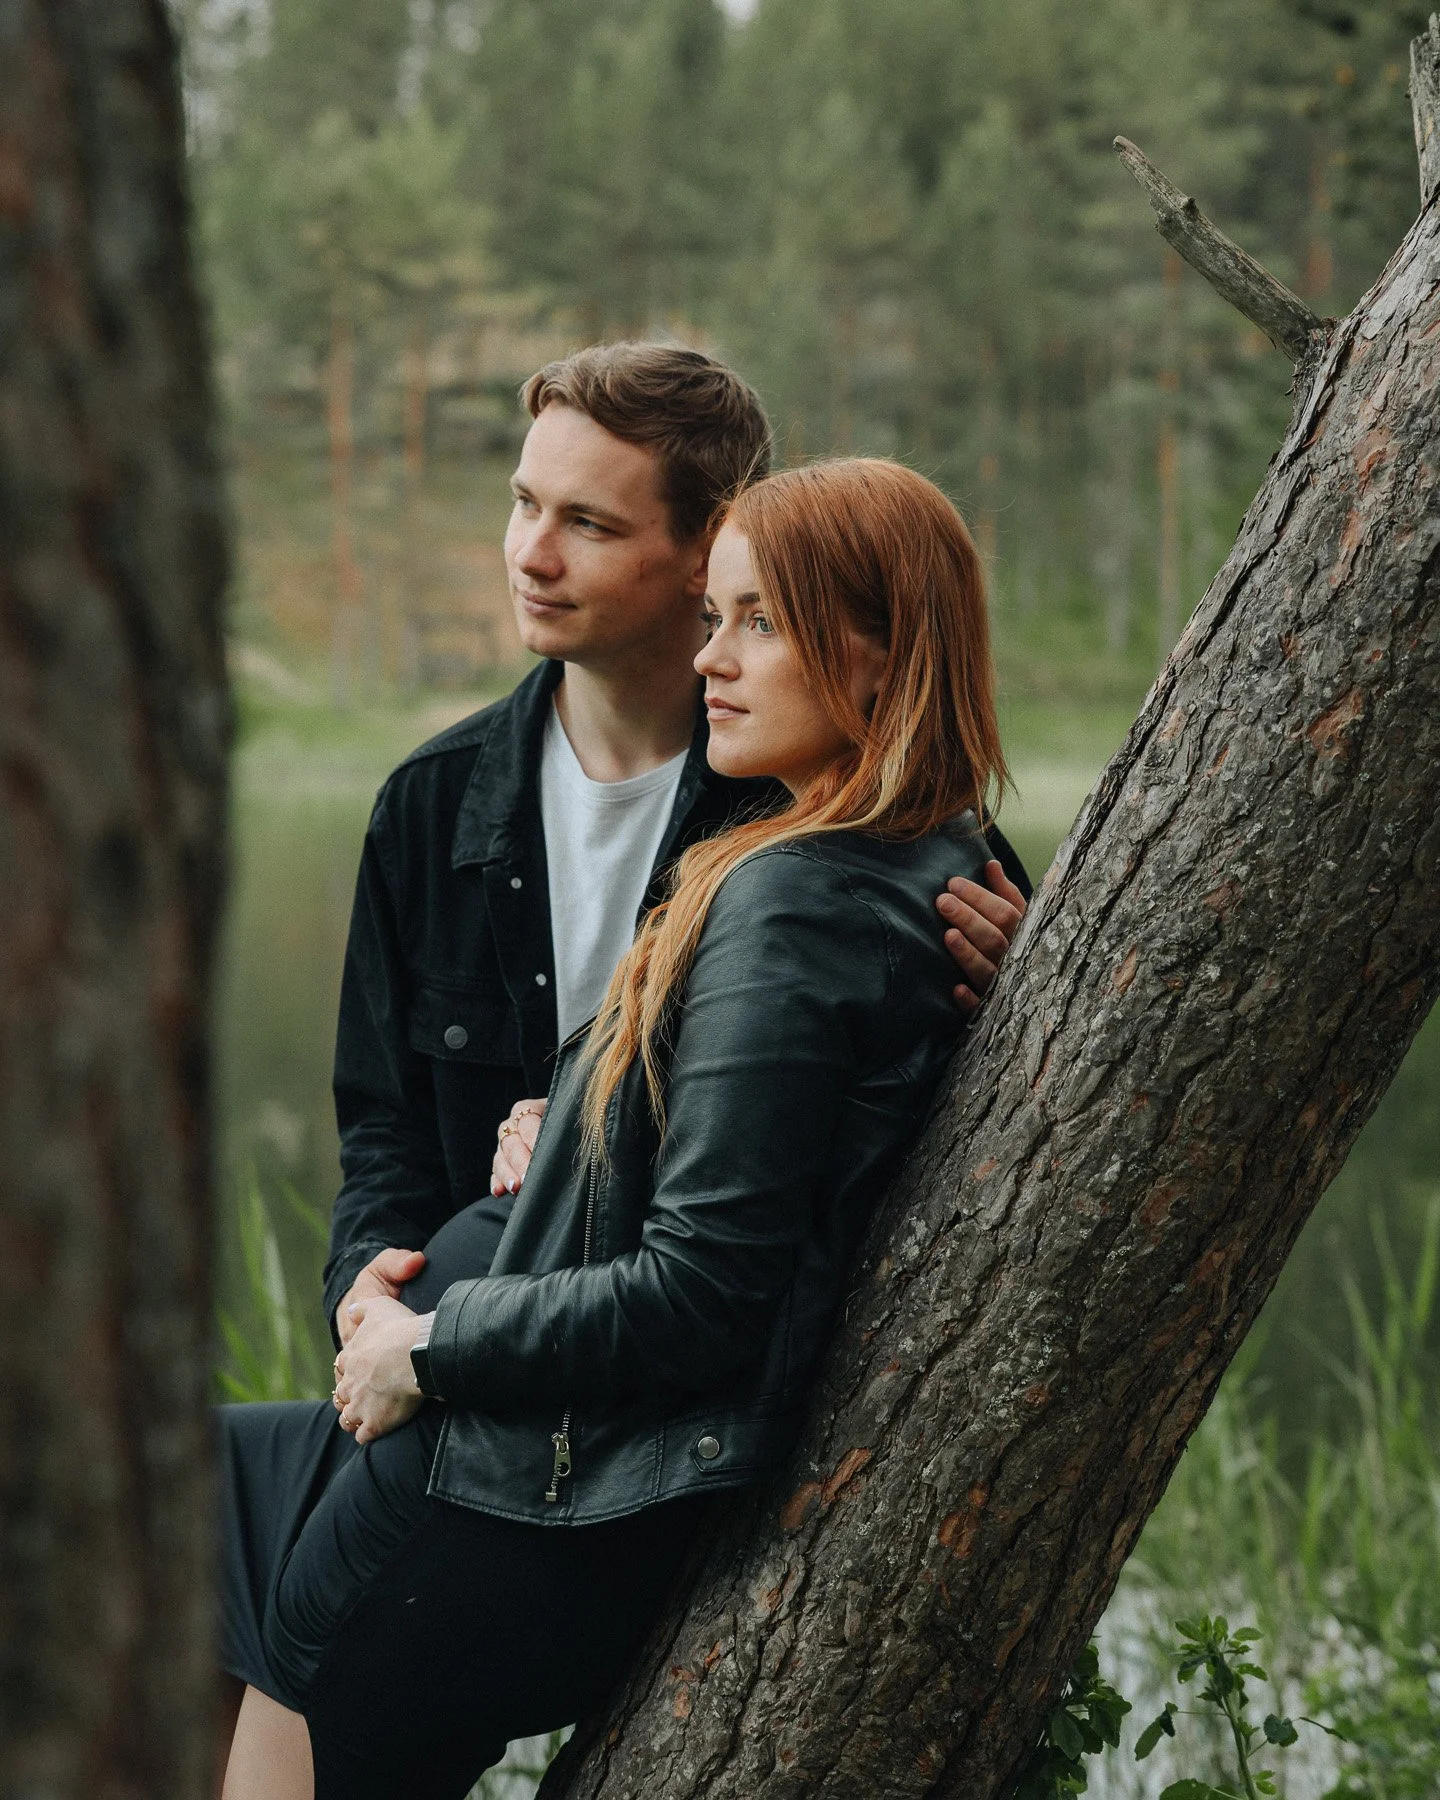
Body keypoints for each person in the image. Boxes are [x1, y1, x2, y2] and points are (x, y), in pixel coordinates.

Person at [215, 454, 1019, 1798]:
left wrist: (430, 1349)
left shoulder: (798, 900)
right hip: (512, 1444)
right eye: (714, 616)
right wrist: (592, 1121)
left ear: (879, 656)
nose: (714, 659)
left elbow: (703, 1291)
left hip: (511, 1478)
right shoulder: (918, 855)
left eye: (759, 622)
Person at [319, 344, 1029, 1369]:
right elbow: (385, 1128)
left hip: (681, 1377)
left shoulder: (823, 792)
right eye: (524, 504)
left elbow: (921, 1108)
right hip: (463, 1371)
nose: (531, 556)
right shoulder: (430, 806)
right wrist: (365, 1293)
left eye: (588, 524)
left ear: (710, 548)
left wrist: (1016, 996)